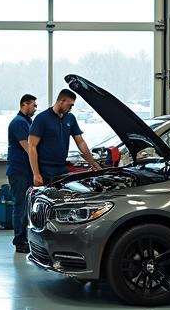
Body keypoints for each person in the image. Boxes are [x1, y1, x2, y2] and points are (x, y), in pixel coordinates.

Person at [27, 88, 101, 186]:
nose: (71, 108)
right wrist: (36, 174)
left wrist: (93, 163)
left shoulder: (70, 118)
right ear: (61, 101)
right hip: (45, 170)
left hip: (62, 169)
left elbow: (80, 142)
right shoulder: (42, 118)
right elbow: (31, 146)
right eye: (70, 105)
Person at [7, 93, 38, 254]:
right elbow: (28, 148)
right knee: (20, 206)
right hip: (19, 172)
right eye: (33, 105)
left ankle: (25, 239)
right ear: (24, 104)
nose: (35, 109)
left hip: (25, 170)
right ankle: (19, 242)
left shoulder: (27, 121)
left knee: (26, 207)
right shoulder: (18, 123)